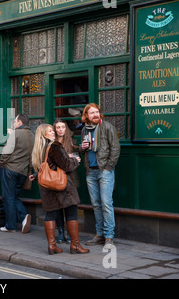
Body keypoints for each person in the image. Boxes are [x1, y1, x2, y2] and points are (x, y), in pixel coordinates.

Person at [30, 123, 89, 255]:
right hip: (62, 187)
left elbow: (45, 167)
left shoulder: (39, 148)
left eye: (53, 130)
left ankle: (52, 246)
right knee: (72, 212)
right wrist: (75, 160)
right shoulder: (54, 146)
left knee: (50, 214)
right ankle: (75, 246)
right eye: (50, 131)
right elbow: (67, 166)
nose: (53, 133)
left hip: (47, 187)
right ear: (44, 134)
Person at [80, 103, 120, 249]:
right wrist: (81, 148)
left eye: (97, 112)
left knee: (106, 203)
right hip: (91, 171)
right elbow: (82, 148)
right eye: (92, 113)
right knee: (96, 205)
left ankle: (109, 236)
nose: (96, 115)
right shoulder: (85, 129)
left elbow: (115, 148)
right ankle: (100, 234)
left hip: (104, 170)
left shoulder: (107, 127)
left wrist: (109, 167)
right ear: (87, 116)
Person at [0, 114, 33, 233]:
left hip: (11, 169)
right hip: (23, 171)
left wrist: (0, 164)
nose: (14, 124)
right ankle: (23, 218)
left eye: (15, 122)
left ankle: (11, 226)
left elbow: (6, 152)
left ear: (20, 122)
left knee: (8, 198)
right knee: (14, 197)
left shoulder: (15, 133)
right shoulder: (32, 135)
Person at [53, 118, 79, 243]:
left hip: (70, 177)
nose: (60, 129)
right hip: (56, 178)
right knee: (58, 207)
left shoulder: (72, 141)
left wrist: (71, 156)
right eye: (58, 127)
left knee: (70, 206)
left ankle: (69, 233)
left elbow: (77, 156)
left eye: (62, 127)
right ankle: (61, 232)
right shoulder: (52, 143)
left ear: (66, 128)